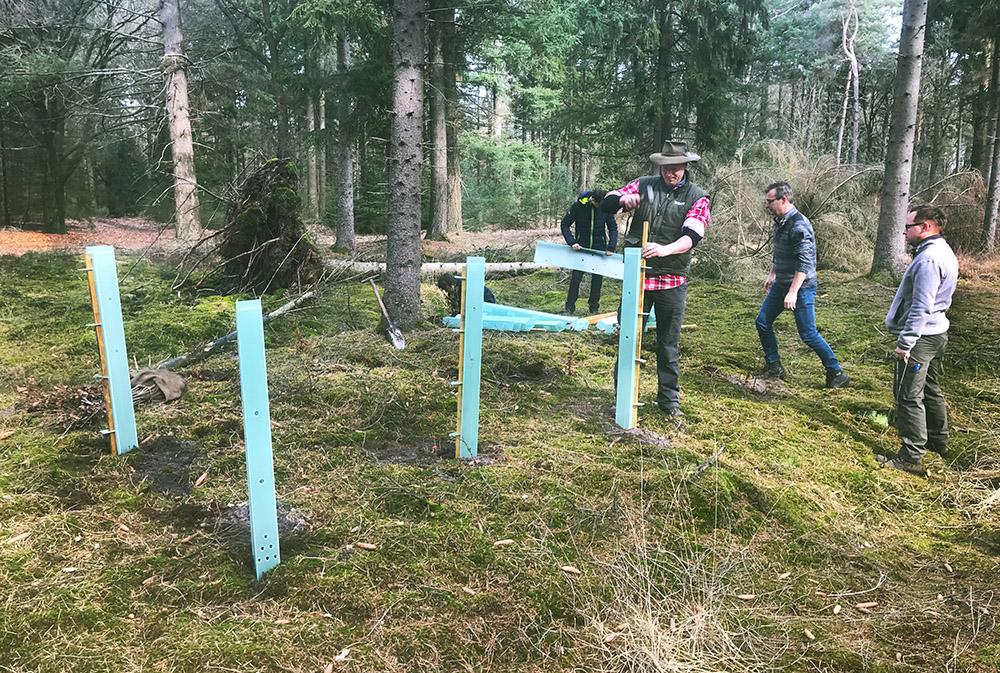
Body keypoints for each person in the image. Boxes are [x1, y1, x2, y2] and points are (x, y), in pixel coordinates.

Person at [600, 140, 711, 417]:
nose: (669, 173)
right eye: (665, 167)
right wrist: (623, 201)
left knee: (668, 343)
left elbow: (692, 236)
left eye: (675, 168)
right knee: (628, 338)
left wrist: (665, 250)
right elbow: (607, 203)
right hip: (637, 279)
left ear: (685, 167)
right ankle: (622, 396)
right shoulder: (644, 184)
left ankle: (669, 402)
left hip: (672, 281)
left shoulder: (698, 196)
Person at [876, 205, 959, 475]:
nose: (904, 231)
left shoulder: (928, 260)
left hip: (921, 339)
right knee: (931, 389)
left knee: (908, 394)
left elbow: (921, 307)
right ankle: (938, 442)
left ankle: (911, 456)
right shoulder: (941, 250)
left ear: (925, 227)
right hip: (937, 335)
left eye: (909, 226)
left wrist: (905, 343)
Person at [754, 181, 850, 388]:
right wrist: (773, 274)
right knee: (762, 322)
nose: (766, 205)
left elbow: (805, 262)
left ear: (783, 200)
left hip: (801, 287)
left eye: (769, 201)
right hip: (782, 284)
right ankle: (774, 366)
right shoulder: (779, 220)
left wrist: (793, 292)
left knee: (808, 334)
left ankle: (836, 372)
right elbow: (780, 251)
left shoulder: (799, 225)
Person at [560, 189, 617, 314]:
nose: (601, 208)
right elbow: (564, 224)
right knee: (575, 279)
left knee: (597, 281)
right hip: (581, 249)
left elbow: (613, 228)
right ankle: (569, 307)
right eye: (599, 205)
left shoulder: (605, 207)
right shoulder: (578, 206)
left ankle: (594, 308)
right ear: (592, 200)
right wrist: (572, 242)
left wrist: (611, 247)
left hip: (599, 249)